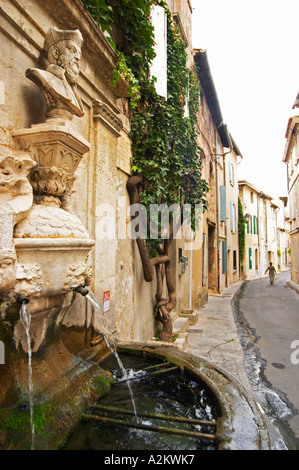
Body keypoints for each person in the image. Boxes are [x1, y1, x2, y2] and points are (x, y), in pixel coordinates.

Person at [26, 27, 84, 120]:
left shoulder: (73, 90)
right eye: (72, 50)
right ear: (56, 52)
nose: (77, 57)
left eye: (79, 54)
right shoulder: (43, 77)